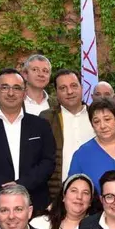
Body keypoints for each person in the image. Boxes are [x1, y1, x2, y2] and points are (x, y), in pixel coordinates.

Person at [0, 68, 56, 213]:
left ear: (24, 92)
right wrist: (5, 187)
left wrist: (20, 185)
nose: (10, 93)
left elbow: (47, 162)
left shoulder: (41, 125)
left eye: (16, 88)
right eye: (4, 87)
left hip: (35, 204)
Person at [39, 69, 95, 200]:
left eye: (74, 86)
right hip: (59, 194)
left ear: (82, 87)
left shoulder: (96, 115)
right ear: (56, 93)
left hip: (95, 193)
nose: (69, 92)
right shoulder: (47, 119)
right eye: (63, 88)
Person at [68, 98, 115, 192]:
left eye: (107, 119)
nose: (102, 126)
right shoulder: (82, 154)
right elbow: (72, 190)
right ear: (92, 124)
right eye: (96, 121)